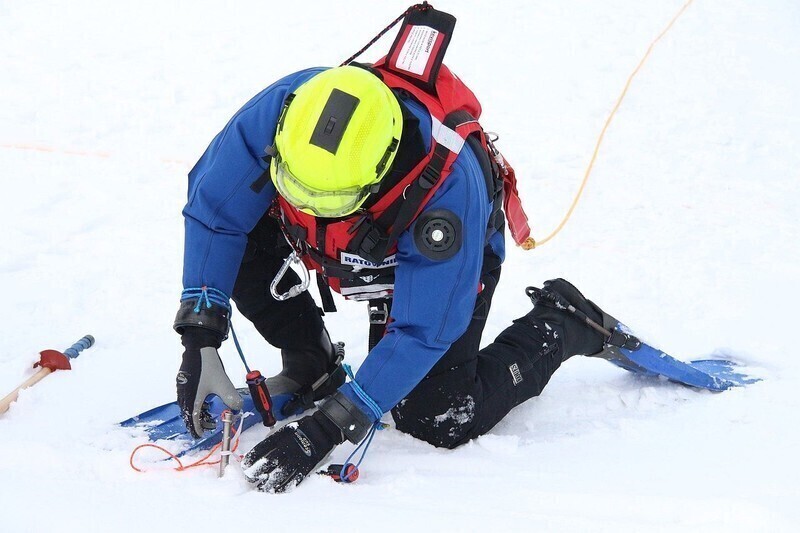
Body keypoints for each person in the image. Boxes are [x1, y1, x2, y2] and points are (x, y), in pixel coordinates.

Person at [172, 49, 632, 492]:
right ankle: (310, 360)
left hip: (435, 264)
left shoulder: (448, 193)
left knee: (435, 415)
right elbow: (215, 212)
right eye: (296, 190)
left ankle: (563, 324)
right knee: (244, 237)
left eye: (327, 201)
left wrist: (328, 427)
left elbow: (423, 330)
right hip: (335, 242)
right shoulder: (284, 111)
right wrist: (200, 336)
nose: (309, 206)